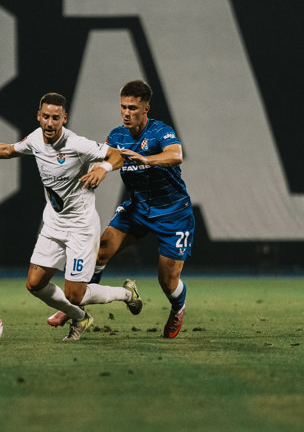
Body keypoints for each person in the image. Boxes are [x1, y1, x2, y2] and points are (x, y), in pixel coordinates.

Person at [0, 92, 142, 341]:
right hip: (54, 224)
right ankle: (81, 318)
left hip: (80, 227)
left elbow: (117, 155)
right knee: (34, 284)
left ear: (64, 118)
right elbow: (6, 150)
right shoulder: (35, 139)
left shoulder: (76, 144)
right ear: (38, 116)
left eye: (55, 118)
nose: (49, 123)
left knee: (75, 295)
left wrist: (103, 168)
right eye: (45, 116)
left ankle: (127, 294)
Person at [47, 81, 194, 338]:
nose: (126, 113)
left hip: (173, 214)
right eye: (123, 107)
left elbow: (175, 155)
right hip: (137, 209)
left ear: (146, 108)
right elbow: (103, 160)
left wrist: (147, 159)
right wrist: (97, 171)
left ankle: (178, 306)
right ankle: (76, 306)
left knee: (168, 283)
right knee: (100, 251)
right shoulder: (117, 136)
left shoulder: (160, 131)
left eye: (133, 108)